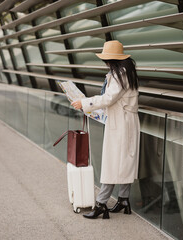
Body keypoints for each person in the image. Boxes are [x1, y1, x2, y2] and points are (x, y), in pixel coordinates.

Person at [71, 40, 140, 219]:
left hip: (121, 124)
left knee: (113, 163)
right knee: (123, 162)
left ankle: (102, 204)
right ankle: (123, 199)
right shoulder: (125, 73)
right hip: (124, 122)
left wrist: (84, 103)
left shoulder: (119, 75)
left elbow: (108, 98)